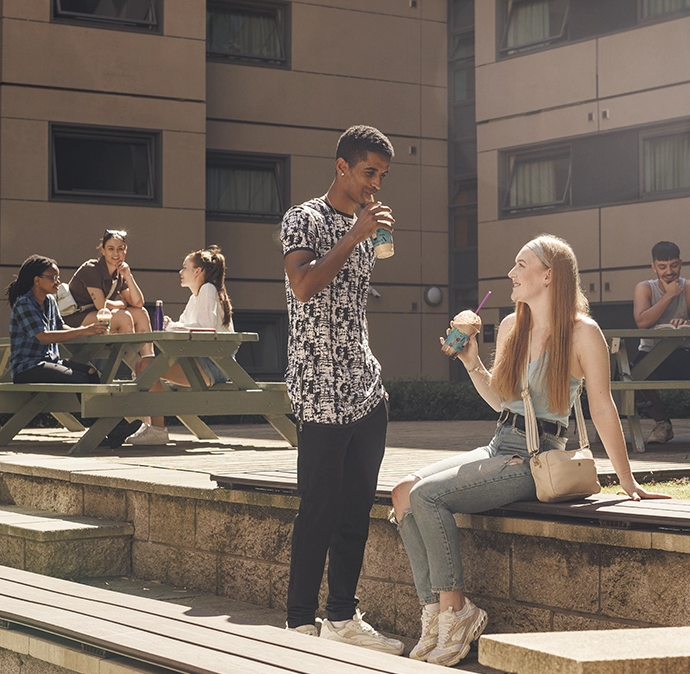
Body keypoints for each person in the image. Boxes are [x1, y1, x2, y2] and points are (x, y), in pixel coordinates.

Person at [391, 234, 670, 667]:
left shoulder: (583, 334)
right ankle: (434, 613)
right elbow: (501, 401)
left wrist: (628, 480)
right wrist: (470, 362)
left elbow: (602, 407)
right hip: (499, 444)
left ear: (548, 275)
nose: (511, 274)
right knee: (404, 490)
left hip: (535, 459)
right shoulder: (509, 327)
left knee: (428, 495)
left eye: (521, 265)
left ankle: (457, 611)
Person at [281, 125, 402, 654]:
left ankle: (342, 616)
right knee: (319, 507)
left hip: (365, 384)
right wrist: (353, 236)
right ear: (342, 167)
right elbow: (303, 287)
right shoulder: (303, 218)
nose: (376, 184)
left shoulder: (368, 223)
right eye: (369, 172)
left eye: (382, 175)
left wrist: (370, 235)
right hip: (319, 383)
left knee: (357, 510)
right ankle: (299, 622)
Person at [68, 230, 163, 444]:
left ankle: (147, 362)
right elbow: (103, 306)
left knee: (139, 313)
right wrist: (120, 304)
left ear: (126, 251)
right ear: (102, 250)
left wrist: (128, 276)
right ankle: (135, 365)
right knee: (123, 316)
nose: (116, 253)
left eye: (120, 249)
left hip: (102, 318)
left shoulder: (119, 274)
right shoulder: (91, 269)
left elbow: (138, 303)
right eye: (111, 248)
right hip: (76, 320)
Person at [631, 241, 690, 445]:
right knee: (631, 375)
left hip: (683, 353)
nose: (669, 271)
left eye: (673, 265)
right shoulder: (644, 288)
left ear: (681, 264)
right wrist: (670, 295)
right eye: (663, 266)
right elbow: (642, 322)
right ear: (653, 266)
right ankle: (662, 424)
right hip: (650, 354)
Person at [6, 255, 108, 385]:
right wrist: (82, 331)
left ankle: (94, 406)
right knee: (78, 379)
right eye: (53, 278)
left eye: (58, 277)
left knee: (91, 373)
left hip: (51, 361)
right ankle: (81, 406)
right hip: (27, 367)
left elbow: (60, 327)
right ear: (37, 280)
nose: (58, 282)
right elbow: (44, 336)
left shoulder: (50, 301)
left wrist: (90, 330)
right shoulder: (24, 304)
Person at [152, 245, 234, 392]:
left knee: (147, 368)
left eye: (184, 268)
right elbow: (185, 325)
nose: (180, 272)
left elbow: (206, 330)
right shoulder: (195, 297)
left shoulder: (208, 289)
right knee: (142, 365)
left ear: (197, 271)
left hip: (214, 364)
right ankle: (151, 415)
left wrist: (172, 327)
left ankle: (153, 414)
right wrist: (172, 324)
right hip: (201, 361)